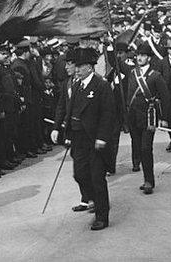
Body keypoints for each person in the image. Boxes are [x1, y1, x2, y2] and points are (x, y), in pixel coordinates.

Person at [51, 47, 116, 231]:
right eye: (75, 66)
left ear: (90, 67)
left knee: (97, 177)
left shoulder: (101, 85)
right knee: (79, 174)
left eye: (80, 67)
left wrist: (103, 137)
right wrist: (63, 130)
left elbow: (108, 114)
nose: (76, 70)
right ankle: (95, 199)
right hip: (78, 139)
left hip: (94, 139)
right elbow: (69, 110)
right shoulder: (77, 85)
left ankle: (102, 216)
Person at [125, 44, 170, 194]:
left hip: (148, 117)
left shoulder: (155, 75)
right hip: (133, 117)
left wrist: (165, 118)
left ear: (149, 58)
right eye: (138, 55)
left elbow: (165, 97)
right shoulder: (132, 73)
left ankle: (149, 181)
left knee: (146, 149)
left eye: (143, 55)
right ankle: (146, 178)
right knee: (138, 148)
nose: (140, 58)